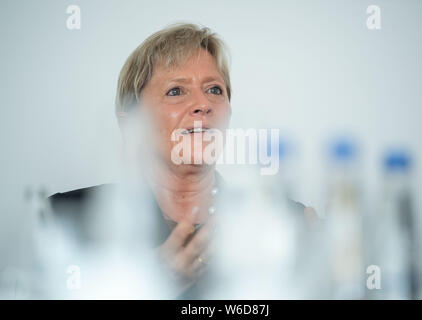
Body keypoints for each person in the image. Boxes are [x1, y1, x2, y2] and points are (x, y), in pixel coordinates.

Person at [49, 23, 317, 299]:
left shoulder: (283, 223)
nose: (203, 103)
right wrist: (150, 284)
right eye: (176, 91)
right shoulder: (64, 219)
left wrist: (320, 275)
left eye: (214, 89)